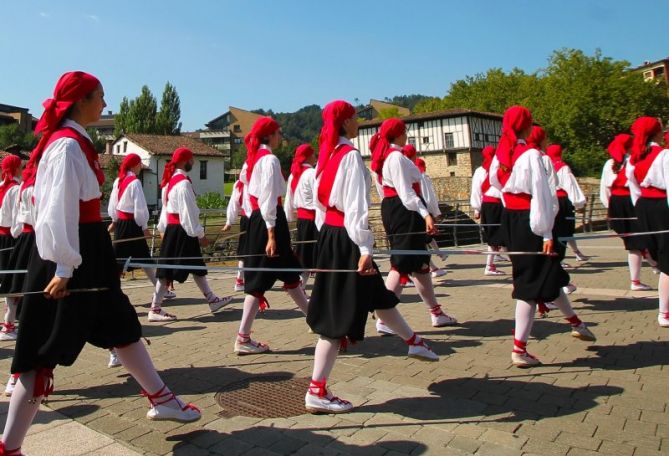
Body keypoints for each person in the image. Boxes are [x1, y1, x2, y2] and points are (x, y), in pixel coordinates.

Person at [2, 71, 200, 456]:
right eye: (100, 97)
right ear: (81, 101)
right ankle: (9, 447)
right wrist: (63, 268)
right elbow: (55, 211)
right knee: (40, 352)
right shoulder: (65, 147)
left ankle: (161, 399)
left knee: (121, 324)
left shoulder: (76, 142)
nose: (105, 104)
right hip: (71, 254)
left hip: (88, 250)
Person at [305, 100, 438, 414]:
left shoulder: (328, 156)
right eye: (354, 118)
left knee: (377, 294)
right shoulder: (348, 156)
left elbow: (322, 209)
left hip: (333, 238)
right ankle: (316, 389)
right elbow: (355, 208)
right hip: (347, 240)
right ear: (346, 122)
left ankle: (413, 341)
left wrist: (331, 242)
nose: (358, 123)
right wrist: (364, 247)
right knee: (337, 319)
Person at [489, 105, 596, 368]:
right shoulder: (531, 155)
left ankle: (576, 322)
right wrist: (546, 231)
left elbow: (495, 182)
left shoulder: (503, 153)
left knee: (550, 274)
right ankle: (519, 349)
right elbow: (542, 195)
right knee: (529, 283)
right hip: (530, 221)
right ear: (527, 126)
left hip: (512, 218)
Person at [371, 118, 457, 337]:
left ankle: (436, 312)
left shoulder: (387, 157)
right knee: (401, 263)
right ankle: (383, 316)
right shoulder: (396, 157)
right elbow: (406, 192)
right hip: (404, 210)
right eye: (404, 130)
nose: (406, 134)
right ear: (398, 133)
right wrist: (425, 213)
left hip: (395, 208)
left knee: (420, 264)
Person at [234, 117, 309, 355]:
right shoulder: (269, 160)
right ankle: (242, 337)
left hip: (265, 219)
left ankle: (317, 321)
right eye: (278, 133)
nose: (281, 136)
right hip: (269, 220)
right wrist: (271, 233)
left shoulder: (254, 160)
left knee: (288, 274)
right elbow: (267, 198)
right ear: (268, 136)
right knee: (258, 282)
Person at [151, 147, 232, 321]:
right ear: (184, 161)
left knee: (197, 267)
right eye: (191, 159)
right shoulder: (183, 184)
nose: (193, 162)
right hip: (182, 231)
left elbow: (165, 209)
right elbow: (189, 213)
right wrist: (199, 234)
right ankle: (155, 308)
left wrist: (162, 228)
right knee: (166, 271)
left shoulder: (170, 181)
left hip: (175, 230)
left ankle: (212, 299)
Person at [625, 117, 669, 327]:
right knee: (668, 261)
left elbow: (633, 187)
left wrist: (639, 211)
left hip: (644, 206)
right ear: (657, 132)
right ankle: (665, 312)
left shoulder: (633, 159)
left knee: (661, 258)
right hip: (662, 205)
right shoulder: (663, 155)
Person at [600, 134, 655, 290]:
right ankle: (637, 280)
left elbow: (605, 187)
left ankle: (653, 268)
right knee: (637, 242)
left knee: (637, 242)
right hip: (629, 202)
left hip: (617, 203)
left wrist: (608, 206)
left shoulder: (610, 163)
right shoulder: (631, 161)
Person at [546, 144, 589, 264]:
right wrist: (579, 203)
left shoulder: (545, 166)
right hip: (561, 200)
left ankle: (574, 253)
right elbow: (570, 185)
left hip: (549, 200)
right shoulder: (562, 167)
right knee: (564, 229)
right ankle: (558, 259)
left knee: (555, 229)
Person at [285, 144, 319, 289]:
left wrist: (288, 217)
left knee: (305, 256)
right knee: (318, 255)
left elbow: (289, 198)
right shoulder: (312, 173)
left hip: (302, 220)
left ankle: (300, 286)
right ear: (309, 156)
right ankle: (302, 287)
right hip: (314, 219)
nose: (316, 157)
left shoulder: (294, 174)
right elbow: (319, 197)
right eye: (314, 154)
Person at [470, 145, 506, 276]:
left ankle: (494, 261)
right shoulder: (497, 168)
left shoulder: (480, 170)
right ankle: (489, 266)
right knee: (497, 235)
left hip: (489, 204)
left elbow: (476, 190)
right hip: (496, 204)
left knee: (497, 234)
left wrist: (477, 208)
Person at [0, 155, 22, 341]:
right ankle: (8, 325)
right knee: (12, 281)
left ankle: (10, 322)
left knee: (5, 280)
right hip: (9, 238)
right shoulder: (15, 189)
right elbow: (16, 221)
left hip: (1, 237)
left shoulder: (1, 187)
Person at [222, 174, 248, 292]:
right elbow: (234, 203)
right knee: (244, 251)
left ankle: (242, 279)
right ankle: (240, 280)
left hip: (250, 219)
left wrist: (229, 222)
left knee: (246, 251)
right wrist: (229, 221)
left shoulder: (241, 183)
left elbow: (233, 203)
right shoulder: (240, 184)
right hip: (252, 219)